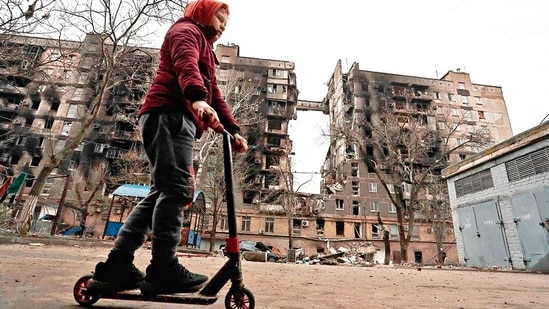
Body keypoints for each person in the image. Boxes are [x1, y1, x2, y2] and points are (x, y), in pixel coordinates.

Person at [87, 0, 248, 296]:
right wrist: (196, 98)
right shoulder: (186, 31)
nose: (223, 26)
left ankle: (117, 266)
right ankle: (163, 268)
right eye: (219, 18)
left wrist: (232, 129)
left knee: (162, 191)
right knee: (176, 190)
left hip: (174, 116)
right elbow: (185, 64)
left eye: (227, 22)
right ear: (202, 13)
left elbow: (215, 94)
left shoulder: (206, 49)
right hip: (170, 114)